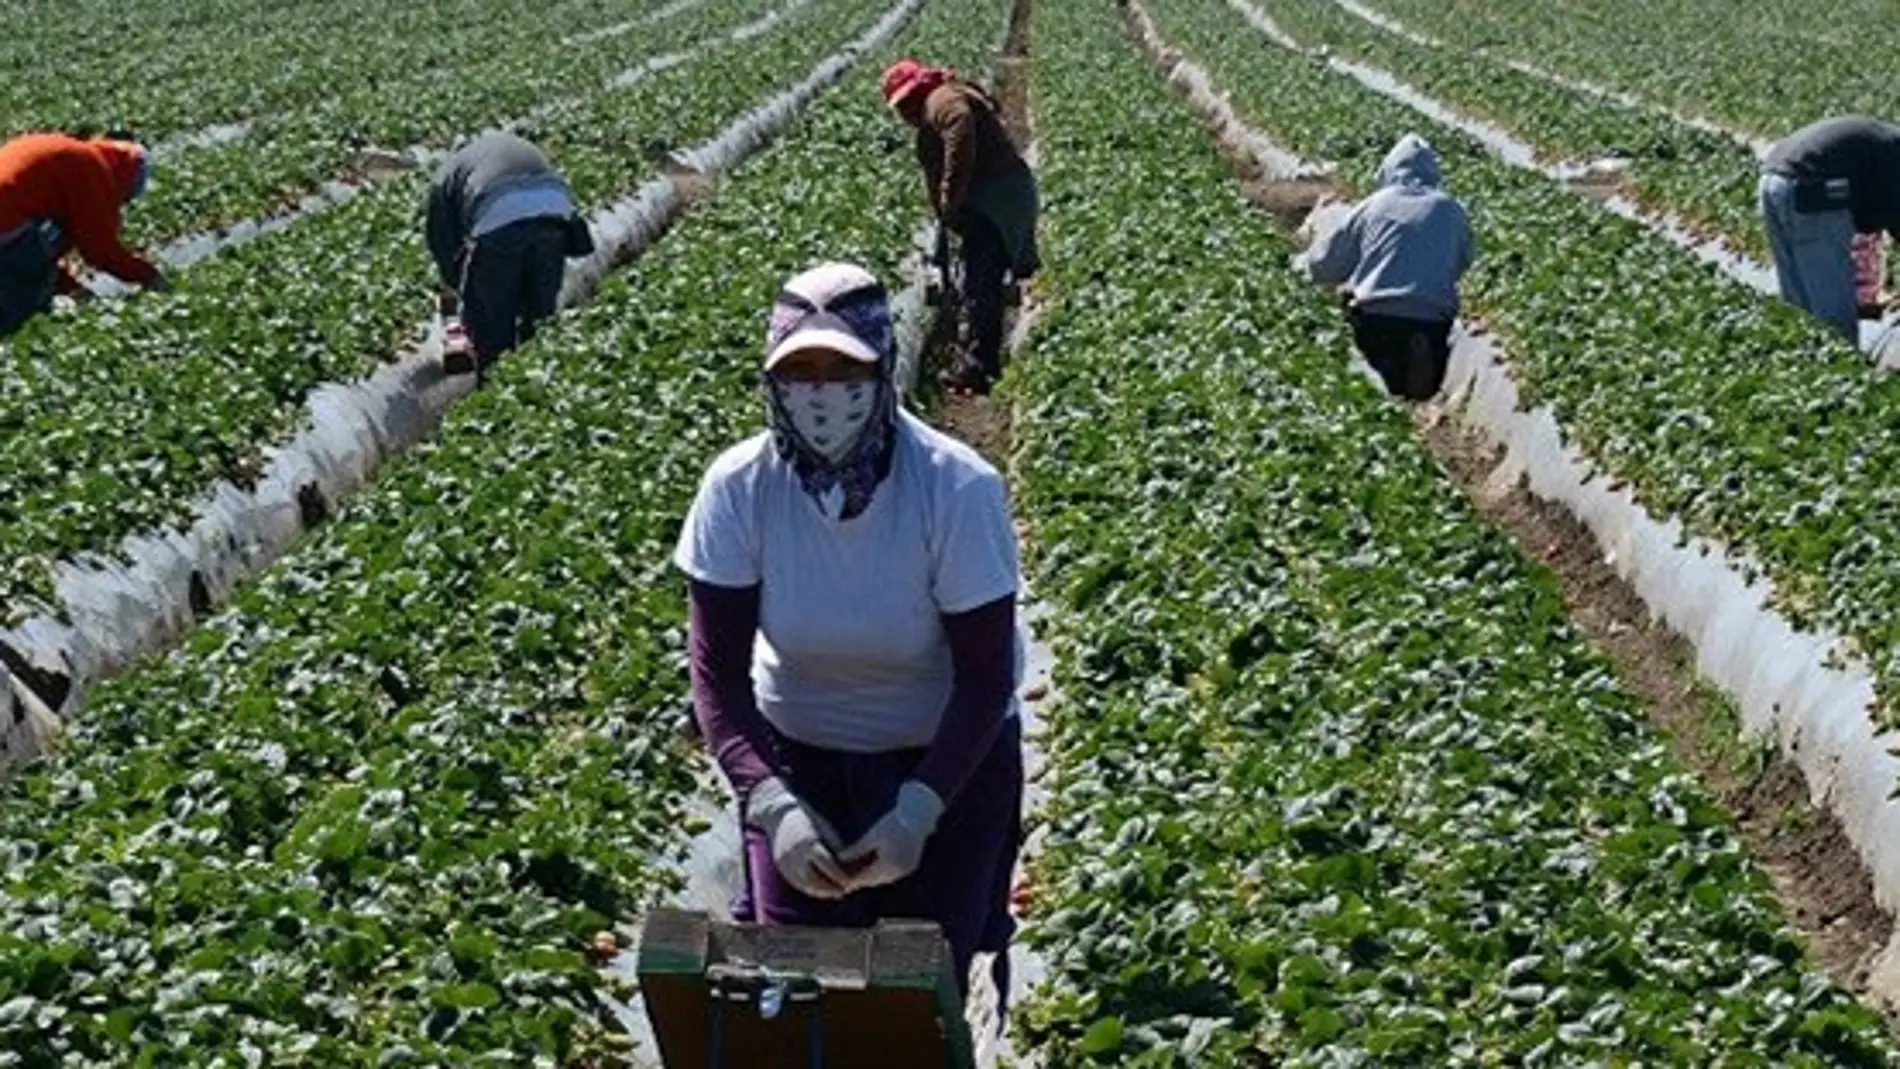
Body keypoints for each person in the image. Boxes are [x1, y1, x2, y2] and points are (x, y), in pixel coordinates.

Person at [674, 261, 1026, 1001]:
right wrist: (773, 808)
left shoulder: (954, 488)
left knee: (914, 1000)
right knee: (801, 997)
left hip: (948, 766)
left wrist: (918, 811)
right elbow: (716, 675)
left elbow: (987, 676)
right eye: (801, 369)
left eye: (844, 367)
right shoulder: (739, 488)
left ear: (883, 363)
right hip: (798, 767)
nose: (822, 391)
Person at [882, 59, 1040, 395]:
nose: (905, 113)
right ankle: (977, 360)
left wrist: (949, 194)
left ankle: (978, 367)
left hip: (997, 198)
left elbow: (961, 127)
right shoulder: (939, 103)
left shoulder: (943, 101)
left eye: (907, 102)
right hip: (994, 197)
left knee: (982, 281)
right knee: (979, 278)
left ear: (919, 90)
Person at [1302, 133, 1475, 402]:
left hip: (1377, 314)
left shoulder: (1374, 205)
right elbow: (1462, 262)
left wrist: (1311, 262)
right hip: (1433, 319)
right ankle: (1421, 364)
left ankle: (1385, 381)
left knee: (1371, 366)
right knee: (1429, 345)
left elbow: (1328, 266)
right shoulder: (1450, 209)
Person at [423, 131, 593, 375]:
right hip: (555, 216)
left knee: (492, 325)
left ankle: (495, 389)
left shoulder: (448, 173)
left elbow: (442, 243)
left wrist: (459, 289)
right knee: (540, 316)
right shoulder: (508, 147)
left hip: (499, 220)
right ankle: (539, 382)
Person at [0, 132, 164, 337]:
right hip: (6, 223)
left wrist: (71, 288)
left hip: (9, 219)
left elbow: (55, 248)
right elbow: (99, 251)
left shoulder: (72, 152)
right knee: (20, 299)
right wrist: (150, 277)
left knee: (35, 255)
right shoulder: (94, 170)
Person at [1759, 116, 1900, 342]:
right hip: (1815, 189)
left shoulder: (1886, 144)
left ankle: (1806, 363)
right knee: (1834, 316)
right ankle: (1843, 367)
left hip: (1772, 178)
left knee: (1799, 309)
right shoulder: (1894, 155)